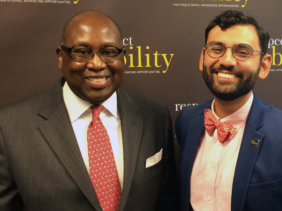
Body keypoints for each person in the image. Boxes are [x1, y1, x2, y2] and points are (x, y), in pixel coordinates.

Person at [0, 10, 178, 211]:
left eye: (109, 52)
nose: (96, 64)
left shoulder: (154, 117)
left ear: (123, 58)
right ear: (61, 57)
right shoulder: (9, 128)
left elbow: (167, 201)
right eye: (82, 52)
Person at [175, 10, 282, 211]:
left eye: (242, 52)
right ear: (202, 58)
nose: (227, 61)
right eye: (216, 49)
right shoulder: (187, 121)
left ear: (264, 66)